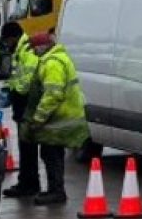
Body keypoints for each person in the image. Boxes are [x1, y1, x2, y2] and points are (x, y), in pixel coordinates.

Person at [16, 32, 88, 205]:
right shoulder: (57, 59)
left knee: (51, 153)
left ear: (41, 47)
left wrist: (38, 119)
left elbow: (53, 94)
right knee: (52, 153)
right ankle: (54, 190)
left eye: (34, 49)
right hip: (63, 115)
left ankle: (56, 192)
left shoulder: (52, 64)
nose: (33, 53)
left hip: (60, 117)